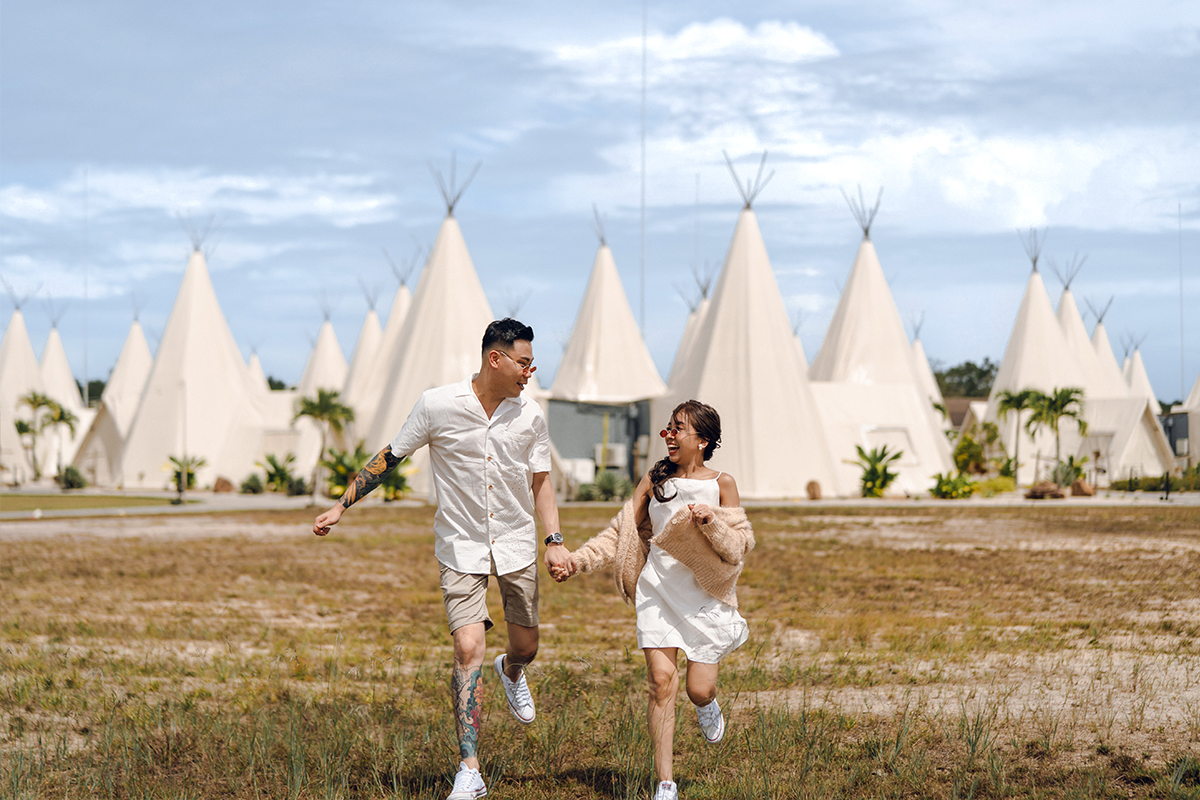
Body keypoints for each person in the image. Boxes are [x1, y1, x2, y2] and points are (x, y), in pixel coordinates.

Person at [313, 318, 572, 800]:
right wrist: (341, 505)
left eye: (532, 363)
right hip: (460, 546)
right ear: (495, 358)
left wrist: (553, 538)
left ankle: (512, 670)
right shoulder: (437, 405)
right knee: (467, 648)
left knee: (528, 646)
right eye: (524, 362)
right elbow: (389, 457)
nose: (530, 371)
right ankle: (470, 770)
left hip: (515, 542)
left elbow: (541, 481)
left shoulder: (531, 416)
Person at [557, 400, 754, 800]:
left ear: (702, 439)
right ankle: (666, 783)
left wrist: (711, 522)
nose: (669, 435)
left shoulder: (723, 484)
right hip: (657, 591)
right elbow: (621, 534)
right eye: (668, 428)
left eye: (677, 429)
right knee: (661, 682)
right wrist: (577, 561)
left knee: (698, 689)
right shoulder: (654, 481)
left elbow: (739, 547)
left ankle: (705, 704)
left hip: (704, 595)